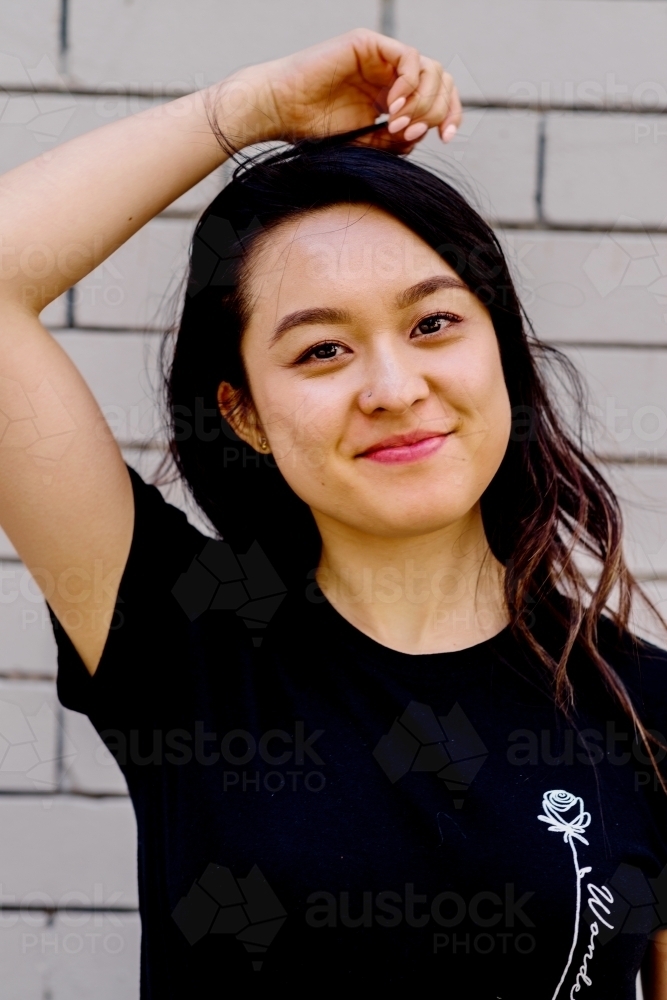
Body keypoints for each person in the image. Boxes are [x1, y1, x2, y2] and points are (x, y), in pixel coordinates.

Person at [0, 28, 665, 998]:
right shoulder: (184, 641)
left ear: (500, 353)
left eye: (432, 322)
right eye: (321, 350)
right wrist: (247, 110)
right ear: (243, 414)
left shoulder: (640, 705)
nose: (393, 388)